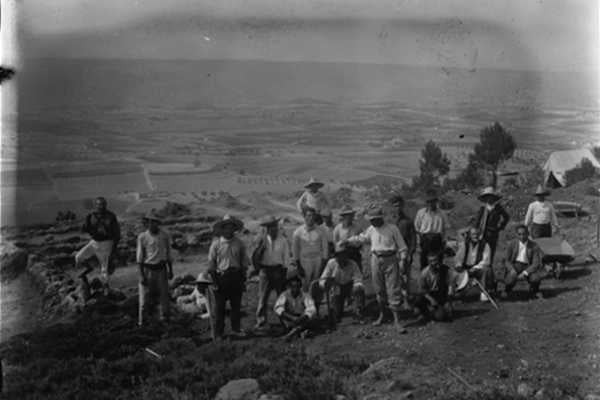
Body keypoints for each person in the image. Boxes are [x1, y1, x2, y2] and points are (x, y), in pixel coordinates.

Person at [345, 207, 408, 330]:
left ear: (380, 218)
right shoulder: (371, 229)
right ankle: (382, 315)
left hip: (390, 259)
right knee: (379, 288)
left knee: (393, 288)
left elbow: (402, 246)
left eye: (374, 220)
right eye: (371, 220)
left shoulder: (392, 228)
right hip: (375, 259)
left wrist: (403, 260)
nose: (372, 222)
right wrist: (347, 241)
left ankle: (397, 320)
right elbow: (361, 238)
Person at [207, 214, 249, 338]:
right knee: (219, 308)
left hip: (236, 277)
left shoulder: (239, 243)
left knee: (236, 306)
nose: (229, 230)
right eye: (226, 227)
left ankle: (235, 329)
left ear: (234, 228)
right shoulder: (216, 244)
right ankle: (219, 333)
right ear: (222, 228)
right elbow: (211, 263)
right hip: (221, 278)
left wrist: (243, 278)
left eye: (231, 227)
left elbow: (244, 262)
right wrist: (214, 282)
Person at [76, 196, 121, 295]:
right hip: (94, 242)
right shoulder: (91, 216)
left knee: (104, 269)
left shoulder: (111, 216)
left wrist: (114, 248)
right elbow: (84, 229)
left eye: (103, 204)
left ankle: (106, 288)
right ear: (96, 205)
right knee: (79, 257)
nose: (101, 206)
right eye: (99, 204)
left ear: (106, 205)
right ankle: (88, 269)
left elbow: (117, 233)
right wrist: (86, 222)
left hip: (106, 244)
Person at [310, 242, 365, 321]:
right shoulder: (331, 263)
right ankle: (336, 309)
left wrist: (357, 286)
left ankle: (358, 310)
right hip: (337, 287)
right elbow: (323, 278)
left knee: (359, 290)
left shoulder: (353, 264)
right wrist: (325, 284)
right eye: (340, 255)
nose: (342, 257)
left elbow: (358, 278)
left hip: (349, 286)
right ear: (336, 256)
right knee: (337, 313)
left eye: (344, 254)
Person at [253, 216, 291, 329]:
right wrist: (258, 268)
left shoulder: (283, 240)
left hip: (279, 270)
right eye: (270, 227)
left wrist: (285, 270)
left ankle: (285, 320)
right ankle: (261, 321)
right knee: (263, 297)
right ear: (267, 229)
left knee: (281, 296)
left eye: (274, 226)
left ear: (277, 226)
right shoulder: (262, 240)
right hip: (265, 271)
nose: (272, 229)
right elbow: (255, 256)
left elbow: (286, 256)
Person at [137, 211, 174, 325]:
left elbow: (168, 254)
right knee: (144, 300)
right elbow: (139, 258)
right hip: (148, 269)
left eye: (155, 222)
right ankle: (143, 323)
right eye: (150, 222)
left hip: (161, 269)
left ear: (158, 223)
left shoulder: (164, 235)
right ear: (147, 223)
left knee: (164, 298)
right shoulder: (142, 237)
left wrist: (170, 270)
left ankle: (165, 321)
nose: (153, 224)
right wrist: (141, 275)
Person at [501, 225, 546, 299]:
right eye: (519, 234)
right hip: (515, 265)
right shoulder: (512, 244)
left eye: (524, 234)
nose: (522, 236)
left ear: (528, 234)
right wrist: (511, 269)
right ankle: (507, 290)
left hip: (528, 266)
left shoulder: (534, 245)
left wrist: (525, 273)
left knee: (536, 278)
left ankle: (535, 290)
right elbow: (506, 260)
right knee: (510, 278)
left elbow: (536, 263)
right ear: (516, 234)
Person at [292, 207, 329, 290]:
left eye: (313, 215)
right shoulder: (298, 232)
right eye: (308, 215)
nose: (311, 218)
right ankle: (305, 301)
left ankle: (315, 302)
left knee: (316, 283)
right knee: (305, 284)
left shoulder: (321, 231)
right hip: (305, 261)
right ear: (304, 217)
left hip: (318, 260)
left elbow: (325, 248)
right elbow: (295, 251)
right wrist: (299, 266)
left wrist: (323, 264)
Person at [274, 271, 318, 340]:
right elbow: (278, 308)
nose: (295, 289)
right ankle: (300, 331)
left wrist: (301, 318)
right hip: (289, 317)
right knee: (282, 317)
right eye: (293, 286)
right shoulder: (284, 294)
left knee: (312, 319)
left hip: (302, 318)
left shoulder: (305, 295)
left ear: (300, 287)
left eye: (297, 286)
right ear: (289, 287)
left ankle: (291, 333)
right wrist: (291, 317)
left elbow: (311, 309)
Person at [454, 226, 493, 301]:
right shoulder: (464, 244)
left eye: (477, 234)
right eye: (473, 234)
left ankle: (483, 293)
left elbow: (486, 261)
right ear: (470, 235)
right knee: (459, 295)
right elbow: (458, 258)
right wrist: (460, 267)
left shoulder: (485, 245)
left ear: (480, 235)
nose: (475, 236)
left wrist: (475, 268)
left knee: (487, 270)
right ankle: (460, 291)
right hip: (465, 269)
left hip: (478, 269)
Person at [414, 190, 450, 269]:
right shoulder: (421, 213)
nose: (431, 204)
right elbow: (417, 229)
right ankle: (425, 279)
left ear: (436, 202)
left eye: (433, 201)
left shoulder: (442, 214)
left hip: (437, 240)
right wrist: (418, 243)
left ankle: (437, 280)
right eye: (429, 202)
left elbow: (446, 229)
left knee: (438, 263)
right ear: (426, 202)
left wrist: (444, 241)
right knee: (424, 262)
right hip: (425, 239)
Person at [473, 186, 510, 264]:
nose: (489, 199)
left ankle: (489, 269)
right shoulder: (483, 208)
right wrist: (475, 230)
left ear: (493, 198)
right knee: (481, 251)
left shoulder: (498, 208)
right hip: (483, 233)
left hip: (493, 233)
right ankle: (479, 268)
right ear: (485, 199)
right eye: (487, 197)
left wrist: (501, 227)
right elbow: (477, 221)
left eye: (491, 197)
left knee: (491, 252)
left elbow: (506, 217)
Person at [415, 252, 455, 322]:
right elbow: (422, 290)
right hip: (429, 294)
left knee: (446, 314)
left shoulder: (445, 269)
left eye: (435, 260)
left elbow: (451, 283)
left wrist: (450, 292)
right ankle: (425, 311)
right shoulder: (424, 273)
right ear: (428, 262)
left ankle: (439, 309)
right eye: (431, 261)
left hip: (441, 294)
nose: (434, 263)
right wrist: (431, 300)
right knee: (419, 303)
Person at [332, 205, 363, 271]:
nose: (350, 217)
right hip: (343, 255)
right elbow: (335, 243)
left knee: (357, 273)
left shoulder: (357, 227)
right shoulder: (337, 229)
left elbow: (361, 241)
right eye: (347, 215)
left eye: (351, 215)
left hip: (355, 254)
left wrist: (351, 243)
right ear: (343, 216)